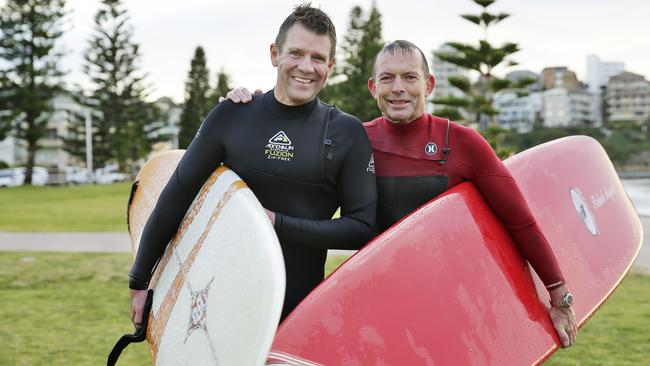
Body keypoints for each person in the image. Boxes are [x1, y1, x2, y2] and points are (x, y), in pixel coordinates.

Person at [224, 40, 578, 348]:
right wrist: (254, 111)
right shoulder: (353, 141)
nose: (398, 88)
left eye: (409, 77)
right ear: (372, 87)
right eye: (387, 78)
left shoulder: (463, 143)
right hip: (380, 300)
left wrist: (559, 294)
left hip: (453, 302)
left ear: (430, 84)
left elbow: (519, 220)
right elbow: (323, 212)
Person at [128, 4, 377, 328]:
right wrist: (139, 279)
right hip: (217, 306)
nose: (306, 66)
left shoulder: (346, 133)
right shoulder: (232, 115)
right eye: (296, 53)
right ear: (275, 53)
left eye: (318, 58)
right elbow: (177, 194)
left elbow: (362, 229)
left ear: (331, 65)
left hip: (296, 312)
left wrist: (276, 222)